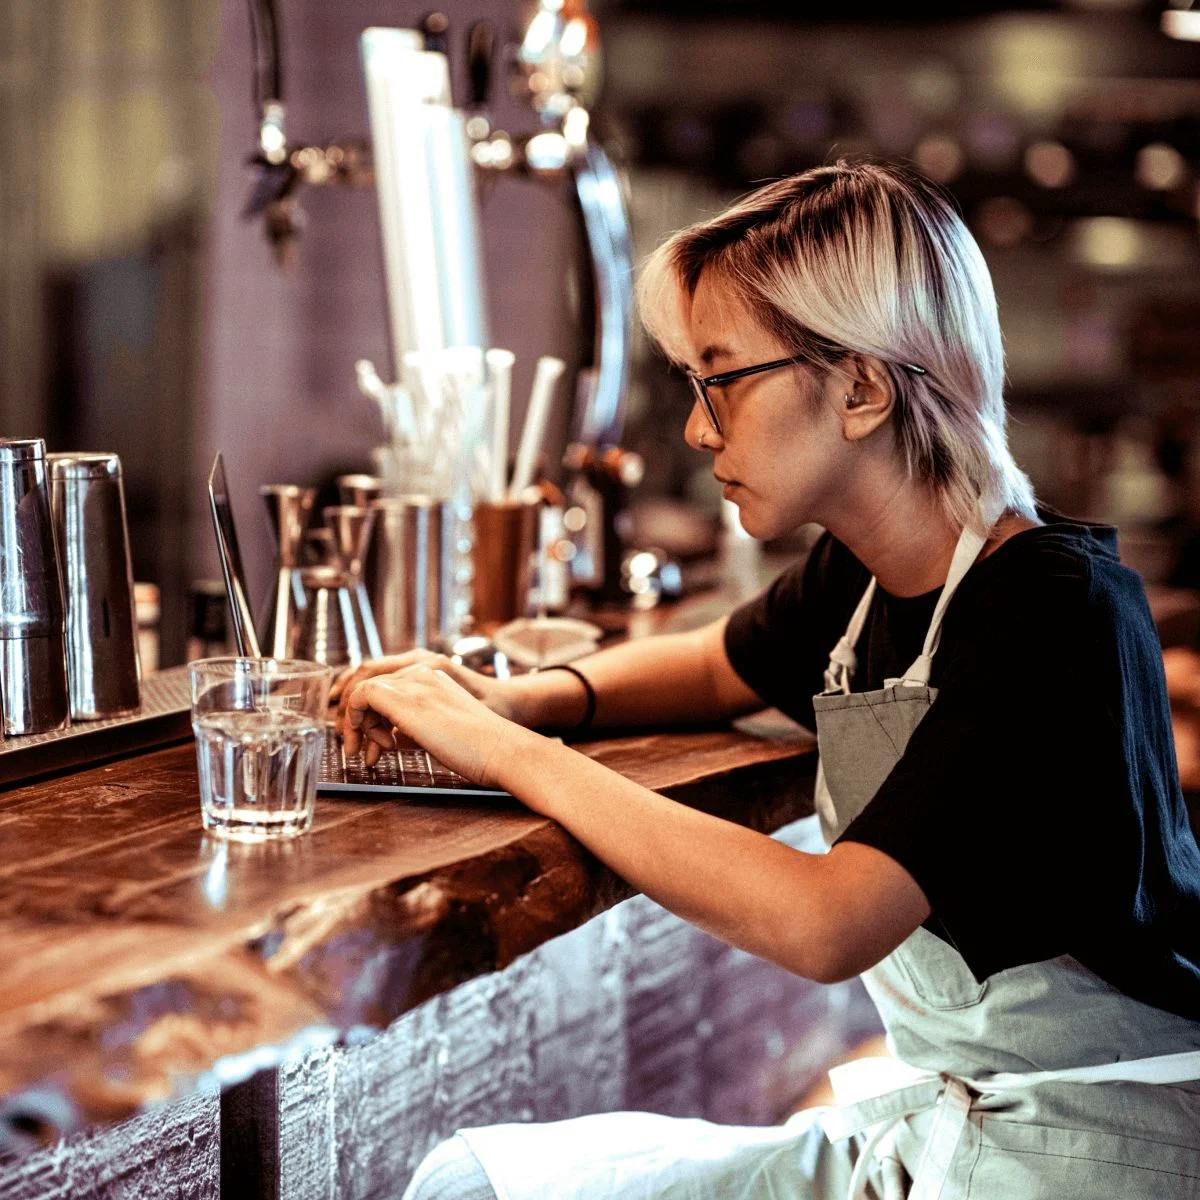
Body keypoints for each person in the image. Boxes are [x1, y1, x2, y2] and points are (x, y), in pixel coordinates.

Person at [334, 160, 1200, 1200]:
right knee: (468, 1185)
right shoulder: (867, 573)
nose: (700, 429)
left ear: (864, 387)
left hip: (1102, 1155)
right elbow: (716, 663)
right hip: (958, 1126)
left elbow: (826, 922)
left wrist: (506, 753)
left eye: (722, 379)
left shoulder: (1052, 612)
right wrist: (532, 698)